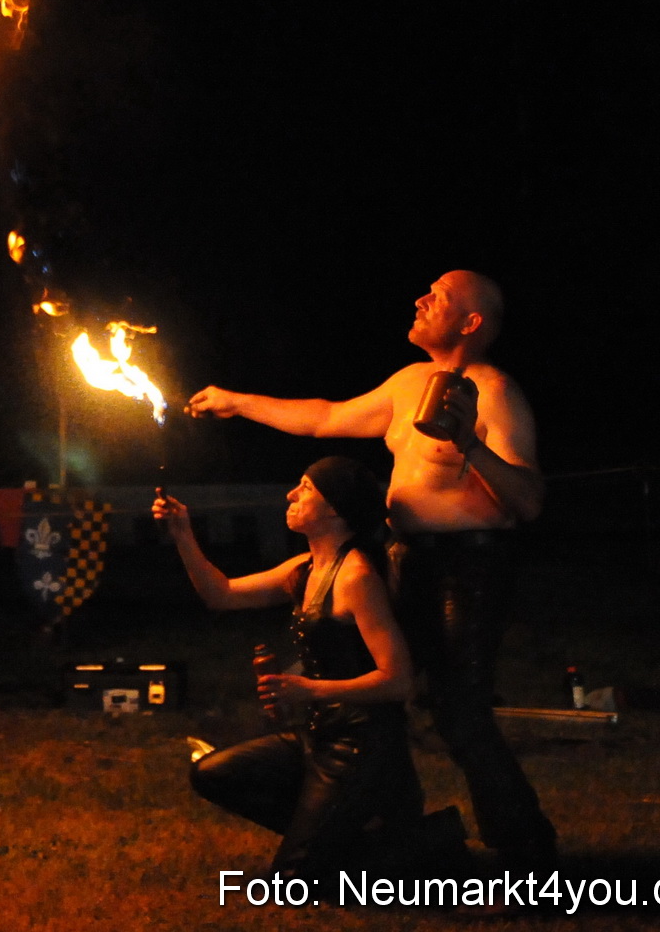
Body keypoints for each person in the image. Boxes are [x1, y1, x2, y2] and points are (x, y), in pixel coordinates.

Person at [185, 270, 557, 868]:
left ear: (471, 322)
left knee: (460, 718)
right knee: (377, 698)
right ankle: (394, 831)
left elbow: (530, 500)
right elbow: (323, 418)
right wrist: (237, 402)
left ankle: (528, 860)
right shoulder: (410, 382)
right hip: (404, 557)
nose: (419, 298)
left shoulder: (495, 391)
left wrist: (471, 445)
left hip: (467, 570)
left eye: (439, 296)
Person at [157, 458, 423, 878]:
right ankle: (354, 838)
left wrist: (311, 690)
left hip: (360, 748)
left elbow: (397, 680)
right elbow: (221, 594)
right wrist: (183, 535)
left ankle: (368, 842)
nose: (291, 494)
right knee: (212, 773)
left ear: (334, 508)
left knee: (292, 883)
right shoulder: (303, 569)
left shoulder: (355, 577)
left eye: (305, 488)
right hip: (317, 736)